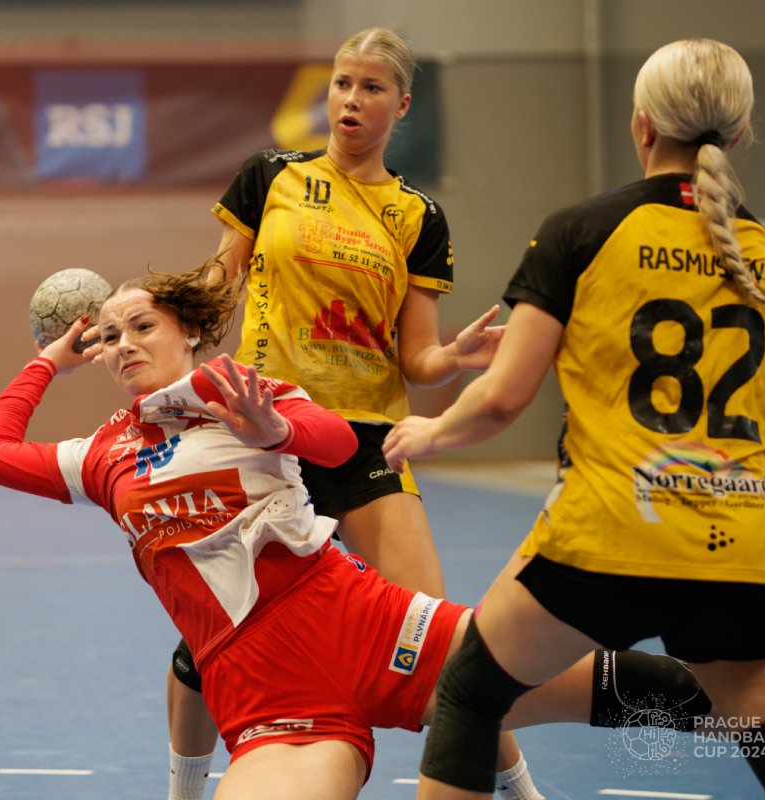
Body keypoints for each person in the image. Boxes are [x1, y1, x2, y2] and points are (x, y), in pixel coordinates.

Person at [0, 263, 712, 800]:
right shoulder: (102, 455)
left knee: (655, 690)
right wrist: (47, 362)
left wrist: (274, 429)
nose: (124, 343)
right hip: (271, 703)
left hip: (373, 628)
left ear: (188, 330)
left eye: (142, 326)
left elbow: (337, 442)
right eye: (110, 335)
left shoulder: (243, 392)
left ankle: (763, 724)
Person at [380, 38, 765, 798]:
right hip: (739, 545)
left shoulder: (583, 231)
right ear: (738, 134)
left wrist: (430, 433)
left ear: (643, 125)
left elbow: (503, 397)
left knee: (470, 692)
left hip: (611, 535)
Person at [165, 26, 524, 800]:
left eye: (370, 88)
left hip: (366, 444)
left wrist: (453, 359)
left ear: (402, 105)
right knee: (203, 650)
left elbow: (416, 358)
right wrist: (152, 321)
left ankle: (523, 793)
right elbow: (215, 288)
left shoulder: (418, 216)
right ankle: (183, 791)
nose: (351, 100)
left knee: (447, 642)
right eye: (341, 83)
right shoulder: (271, 177)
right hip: (264, 439)